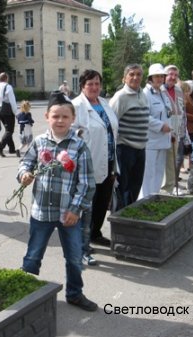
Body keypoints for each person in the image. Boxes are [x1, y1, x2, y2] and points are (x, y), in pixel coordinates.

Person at [18, 91, 97, 311]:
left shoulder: (79, 146)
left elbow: (87, 183)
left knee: (74, 257)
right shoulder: (39, 142)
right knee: (33, 255)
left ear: (72, 118)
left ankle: (74, 293)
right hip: (41, 212)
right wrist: (24, 175)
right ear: (47, 117)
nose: (60, 120)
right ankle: (25, 293)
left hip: (68, 215)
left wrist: (75, 209)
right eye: (55, 116)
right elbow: (26, 164)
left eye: (65, 116)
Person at [72, 69, 119, 263]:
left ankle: (95, 233)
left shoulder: (105, 104)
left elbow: (112, 129)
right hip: (86, 163)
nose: (94, 87)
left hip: (107, 160)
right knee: (86, 204)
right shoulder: (76, 106)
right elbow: (70, 133)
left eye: (97, 83)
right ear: (82, 85)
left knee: (102, 200)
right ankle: (81, 245)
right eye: (90, 83)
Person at [109, 64, 149, 208]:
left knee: (135, 186)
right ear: (124, 78)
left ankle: (130, 214)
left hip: (140, 149)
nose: (135, 77)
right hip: (124, 149)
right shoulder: (121, 97)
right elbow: (111, 123)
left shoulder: (142, 94)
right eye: (131, 74)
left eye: (138, 74)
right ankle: (120, 217)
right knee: (122, 188)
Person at [140, 64, 172, 198]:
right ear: (150, 78)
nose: (159, 79)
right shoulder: (145, 94)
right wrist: (160, 125)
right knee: (148, 173)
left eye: (161, 76)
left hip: (164, 140)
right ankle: (144, 199)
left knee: (159, 172)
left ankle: (154, 197)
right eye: (157, 76)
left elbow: (168, 113)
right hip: (151, 141)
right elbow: (143, 115)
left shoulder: (162, 93)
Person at [161, 65, 188, 196]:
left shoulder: (178, 90)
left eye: (175, 75)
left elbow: (182, 112)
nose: (173, 77)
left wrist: (183, 133)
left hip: (176, 131)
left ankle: (170, 188)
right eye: (170, 74)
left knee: (172, 162)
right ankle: (163, 188)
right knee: (161, 162)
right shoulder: (159, 89)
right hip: (161, 131)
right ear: (164, 75)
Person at [0, 72, 18, 157]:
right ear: (6, 78)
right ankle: (0, 147)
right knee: (9, 131)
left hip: (0, 110)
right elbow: (12, 101)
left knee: (7, 129)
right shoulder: (8, 87)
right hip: (7, 110)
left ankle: (12, 148)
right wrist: (16, 113)